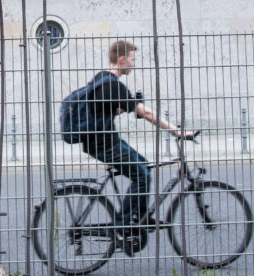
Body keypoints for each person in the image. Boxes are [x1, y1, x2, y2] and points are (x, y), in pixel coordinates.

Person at [81, 40, 195, 252]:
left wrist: (130, 104)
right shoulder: (113, 84)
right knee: (142, 175)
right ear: (122, 59)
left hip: (102, 141)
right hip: (104, 144)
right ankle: (125, 225)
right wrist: (177, 131)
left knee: (144, 166)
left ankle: (136, 220)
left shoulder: (102, 79)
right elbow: (147, 113)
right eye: (133, 60)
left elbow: (109, 110)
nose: (134, 64)